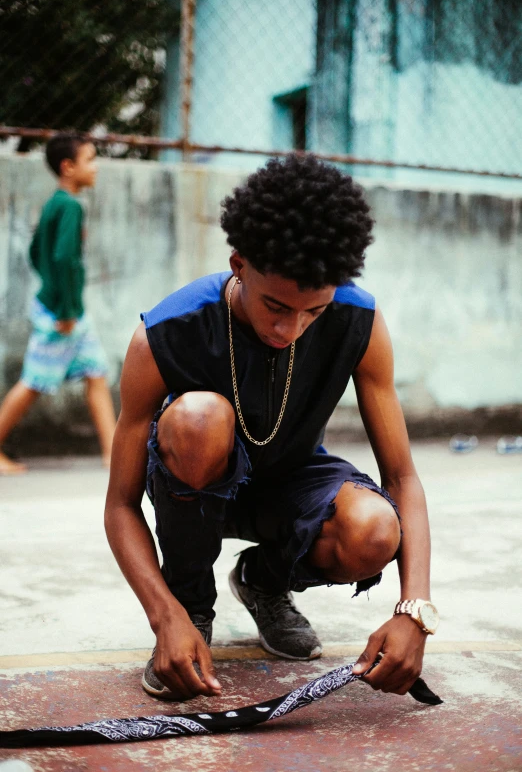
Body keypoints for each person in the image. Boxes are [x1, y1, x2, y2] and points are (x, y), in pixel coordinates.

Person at [105, 154, 438, 703]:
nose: (292, 328)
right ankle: (190, 606)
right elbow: (120, 505)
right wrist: (163, 616)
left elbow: (401, 477)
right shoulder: (166, 333)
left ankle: (264, 581)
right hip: (191, 489)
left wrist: (415, 611)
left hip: (290, 482)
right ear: (238, 264)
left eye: (314, 311)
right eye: (277, 306)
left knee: (377, 528)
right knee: (196, 418)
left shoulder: (359, 320)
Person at [0, 133, 116, 475]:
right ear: (68, 167)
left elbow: (37, 253)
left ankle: (113, 454)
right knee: (34, 382)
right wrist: (64, 309)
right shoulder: (69, 206)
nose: (95, 167)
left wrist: (56, 292)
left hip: (68, 310)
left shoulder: (54, 203)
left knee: (96, 374)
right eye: (90, 159)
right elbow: (63, 258)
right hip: (64, 315)